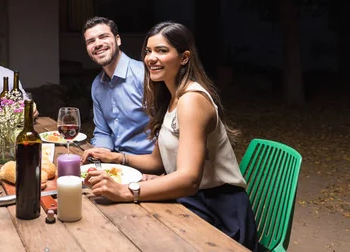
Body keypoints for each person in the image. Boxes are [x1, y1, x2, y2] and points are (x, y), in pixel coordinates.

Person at [83, 21, 258, 251]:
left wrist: (125, 191)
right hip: (192, 201)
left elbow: (188, 180)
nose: (151, 58)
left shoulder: (191, 99)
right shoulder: (171, 96)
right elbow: (156, 162)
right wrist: (115, 158)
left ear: (184, 58)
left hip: (218, 214)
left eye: (162, 51)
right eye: (148, 51)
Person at [80, 17, 155, 163]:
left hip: (150, 164)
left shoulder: (145, 76)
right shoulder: (97, 85)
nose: (97, 44)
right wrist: (100, 154)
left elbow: (167, 131)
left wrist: (159, 169)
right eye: (91, 41)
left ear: (118, 40)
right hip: (117, 163)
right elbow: (103, 132)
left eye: (103, 36)